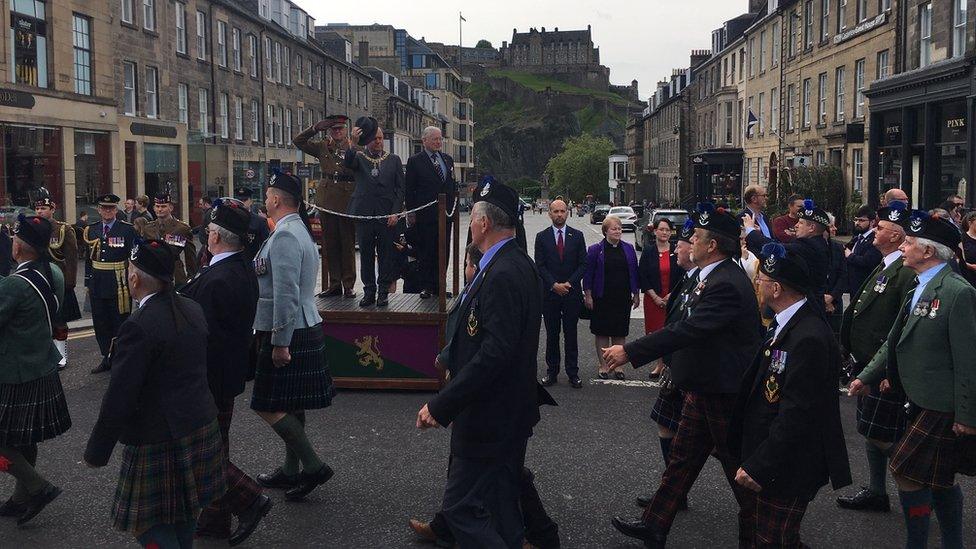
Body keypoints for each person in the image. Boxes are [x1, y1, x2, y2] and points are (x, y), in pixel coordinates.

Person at [604, 203, 762, 549]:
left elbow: (689, 330)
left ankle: (766, 533)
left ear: (713, 246)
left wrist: (630, 351)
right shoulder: (709, 278)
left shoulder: (726, 284)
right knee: (681, 461)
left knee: (738, 470)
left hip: (723, 390)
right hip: (702, 386)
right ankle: (654, 525)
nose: (690, 240)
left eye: (697, 236)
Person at [416, 180, 544, 548]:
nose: (469, 226)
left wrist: (442, 404)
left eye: (472, 218)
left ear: (484, 224)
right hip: (507, 412)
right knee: (503, 510)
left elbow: (494, 353)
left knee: (460, 509)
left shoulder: (503, 273)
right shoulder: (512, 264)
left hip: (490, 415)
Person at [84, 239, 224, 548]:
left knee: (145, 523)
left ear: (133, 278)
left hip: (158, 436)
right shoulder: (192, 307)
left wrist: (97, 452)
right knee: (186, 510)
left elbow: (119, 397)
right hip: (200, 422)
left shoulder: (138, 327)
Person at [850, 211, 976, 548]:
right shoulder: (918, 286)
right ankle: (951, 543)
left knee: (906, 469)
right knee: (937, 479)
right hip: (915, 398)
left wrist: (967, 415)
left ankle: (918, 543)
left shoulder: (957, 292)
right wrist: (866, 377)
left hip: (941, 402)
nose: (903, 247)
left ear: (929, 252)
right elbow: (894, 340)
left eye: (909, 243)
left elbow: (969, 360)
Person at [728, 243, 852, 548]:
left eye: (762, 281)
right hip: (771, 453)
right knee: (761, 532)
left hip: (788, 464)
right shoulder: (786, 324)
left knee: (774, 539)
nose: (757, 285)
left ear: (777, 289)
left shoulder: (807, 336)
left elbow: (798, 414)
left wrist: (761, 465)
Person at [180, 200, 272, 544]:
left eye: (207, 233)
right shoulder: (235, 267)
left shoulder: (220, 278)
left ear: (215, 237)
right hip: (224, 376)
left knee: (200, 453)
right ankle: (214, 519)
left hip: (208, 379)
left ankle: (249, 498)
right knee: (216, 448)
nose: (205, 238)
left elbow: (199, 336)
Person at [251, 171, 336, 501]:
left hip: (290, 328)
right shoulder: (296, 229)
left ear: (275, 200)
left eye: (268, 194)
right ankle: (290, 471)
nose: (266, 199)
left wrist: (280, 341)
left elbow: (285, 292)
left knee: (266, 404)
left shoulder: (286, 235)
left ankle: (313, 466)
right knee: (290, 404)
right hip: (301, 323)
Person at [837, 201, 914, 513]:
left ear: (896, 236)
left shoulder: (905, 271)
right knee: (870, 430)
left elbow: (902, 323)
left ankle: (919, 483)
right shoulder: (885, 263)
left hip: (883, 365)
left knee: (882, 432)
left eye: (880, 228)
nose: (873, 231)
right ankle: (877, 490)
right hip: (866, 360)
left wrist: (886, 370)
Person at [0, 214, 70, 525]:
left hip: (16, 370)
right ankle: (20, 497)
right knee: (22, 437)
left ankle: (37, 487)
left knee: (8, 439)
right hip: (41, 363)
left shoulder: (14, 285)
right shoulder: (52, 271)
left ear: (17, 247)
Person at [636, 219, 696, 510]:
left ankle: (756, 508)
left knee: (726, 448)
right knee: (665, 425)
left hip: (701, 375)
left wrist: (630, 352)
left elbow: (688, 328)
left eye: (682, 245)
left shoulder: (714, 280)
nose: (676, 250)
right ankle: (672, 495)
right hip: (677, 367)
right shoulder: (689, 277)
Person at [294, 116, 358, 298]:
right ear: (329, 131)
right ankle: (334, 283)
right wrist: (314, 128)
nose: (337, 132)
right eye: (333, 129)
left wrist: (354, 142)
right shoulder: (322, 146)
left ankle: (349, 284)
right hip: (328, 199)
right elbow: (298, 141)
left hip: (347, 199)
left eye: (340, 129)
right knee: (330, 244)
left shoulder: (354, 146)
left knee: (347, 244)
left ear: (346, 130)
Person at [345, 117, 405, 308]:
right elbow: (348, 163)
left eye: (380, 138)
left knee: (386, 254)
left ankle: (383, 291)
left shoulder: (394, 160)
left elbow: (400, 189)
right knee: (366, 254)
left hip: (386, 215)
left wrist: (395, 212)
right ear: (368, 140)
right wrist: (352, 143)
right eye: (374, 139)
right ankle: (369, 291)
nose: (378, 142)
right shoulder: (360, 158)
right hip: (365, 214)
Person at [83, 194, 138, 375]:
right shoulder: (92, 230)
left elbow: (134, 258)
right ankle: (106, 356)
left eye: (111, 208)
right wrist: (87, 282)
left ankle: (121, 357)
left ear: (116, 210)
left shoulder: (127, 230)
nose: (108, 211)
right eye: (104, 208)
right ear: (98, 210)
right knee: (101, 321)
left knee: (119, 321)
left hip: (119, 282)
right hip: (98, 281)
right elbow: (88, 258)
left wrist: (134, 282)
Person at [536, 199, 587, 389]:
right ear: (549, 213)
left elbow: (583, 264)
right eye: (555, 211)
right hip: (550, 295)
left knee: (571, 334)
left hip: (571, 293)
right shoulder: (542, 237)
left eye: (562, 211)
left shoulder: (578, 236)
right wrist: (554, 285)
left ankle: (573, 372)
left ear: (568, 212)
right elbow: (539, 265)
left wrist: (569, 283)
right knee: (552, 334)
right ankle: (552, 371)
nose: (559, 214)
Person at [745, 198, 832, 307]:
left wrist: (750, 231)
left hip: (808, 307)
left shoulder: (809, 246)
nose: (796, 225)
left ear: (812, 228)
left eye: (800, 223)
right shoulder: (817, 243)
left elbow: (775, 247)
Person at [583, 216, 640, 380]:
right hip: (601, 297)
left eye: (620, 228)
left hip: (622, 298)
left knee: (619, 332)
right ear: (606, 231)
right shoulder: (595, 250)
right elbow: (588, 275)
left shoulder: (629, 249)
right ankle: (604, 365)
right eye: (614, 228)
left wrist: (636, 294)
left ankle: (618, 366)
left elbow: (634, 273)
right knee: (601, 332)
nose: (618, 231)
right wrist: (588, 295)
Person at [406, 126, 458, 299]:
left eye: (440, 139)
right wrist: (411, 213)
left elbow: (452, 185)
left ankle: (440, 286)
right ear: (425, 141)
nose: (438, 142)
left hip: (446, 215)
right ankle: (427, 286)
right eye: (435, 139)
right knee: (427, 251)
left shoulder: (448, 160)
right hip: (425, 215)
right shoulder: (415, 161)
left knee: (444, 251)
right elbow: (410, 189)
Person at [32, 188, 80, 369]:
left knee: (59, 318)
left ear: (52, 209)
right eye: (37, 209)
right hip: (39, 278)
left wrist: (69, 283)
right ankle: (47, 352)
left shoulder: (62, 229)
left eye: (43, 209)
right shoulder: (33, 228)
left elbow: (72, 257)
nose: (39, 212)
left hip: (57, 280)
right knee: (43, 318)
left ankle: (61, 354)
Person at [638, 218, 684, 380]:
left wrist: (670, 295)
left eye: (667, 230)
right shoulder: (648, 251)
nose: (664, 233)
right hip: (653, 299)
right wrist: (655, 297)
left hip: (673, 298)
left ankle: (669, 365)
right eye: (661, 229)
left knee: (671, 330)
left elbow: (683, 275)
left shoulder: (677, 250)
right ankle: (659, 365)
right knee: (656, 332)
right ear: (655, 231)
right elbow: (643, 276)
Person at [135, 191, 197, 287]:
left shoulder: (182, 228)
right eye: (157, 206)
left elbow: (190, 256)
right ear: (154, 208)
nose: (160, 209)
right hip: (154, 273)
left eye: (163, 206)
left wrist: (191, 279)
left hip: (176, 274)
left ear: (170, 208)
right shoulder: (148, 228)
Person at [845, 205, 883, 297]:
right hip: (853, 287)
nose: (857, 223)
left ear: (872, 221)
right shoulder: (858, 237)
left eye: (861, 220)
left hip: (865, 286)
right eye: (856, 220)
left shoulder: (874, 239)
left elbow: (868, 262)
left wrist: (850, 255)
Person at [824, 213, 848, 336]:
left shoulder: (838, 248)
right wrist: (823, 299)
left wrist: (831, 297)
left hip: (835, 303)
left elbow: (843, 275)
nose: (835, 229)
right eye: (832, 226)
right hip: (817, 303)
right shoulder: (807, 248)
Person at [233, 188, 271, 262]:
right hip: (235, 263)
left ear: (250, 201)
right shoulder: (231, 219)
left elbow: (266, 244)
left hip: (252, 261)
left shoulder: (259, 221)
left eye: (244, 200)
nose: (241, 203)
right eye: (239, 200)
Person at [959, 210, 976, 287]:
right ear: (970, 223)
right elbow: (958, 259)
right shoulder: (962, 238)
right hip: (968, 277)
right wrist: (971, 266)